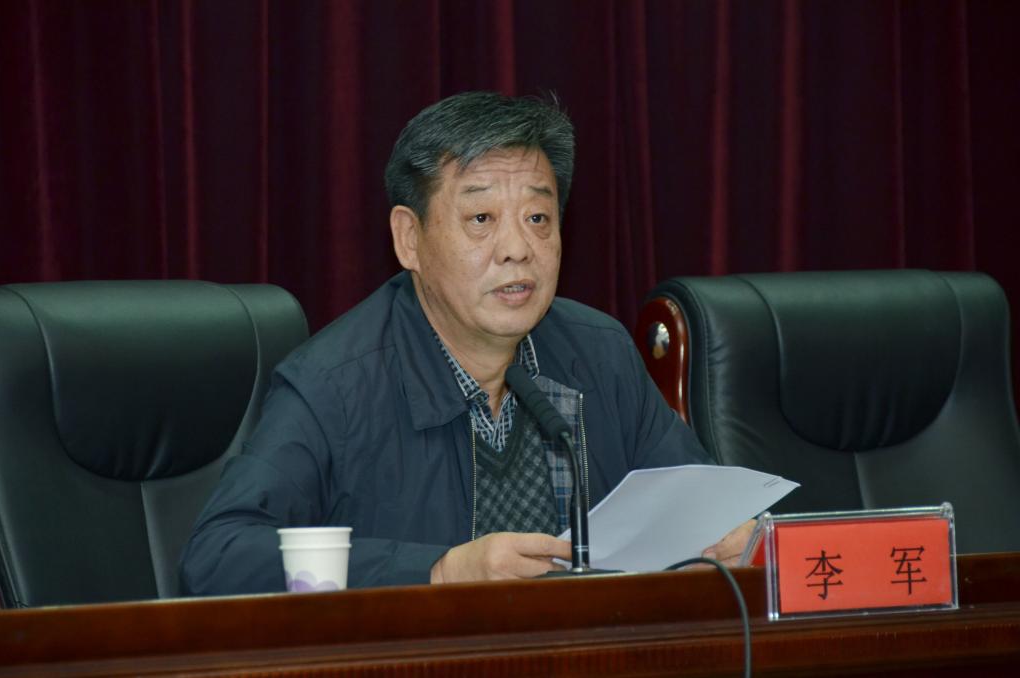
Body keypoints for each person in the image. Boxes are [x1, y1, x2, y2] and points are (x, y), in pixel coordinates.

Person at [179, 91, 751, 594]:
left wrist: (725, 541)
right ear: (409, 238)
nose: (517, 248)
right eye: (481, 218)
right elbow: (217, 559)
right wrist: (437, 572)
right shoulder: (334, 385)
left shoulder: (598, 354)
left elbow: (695, 505)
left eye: (538, 218)